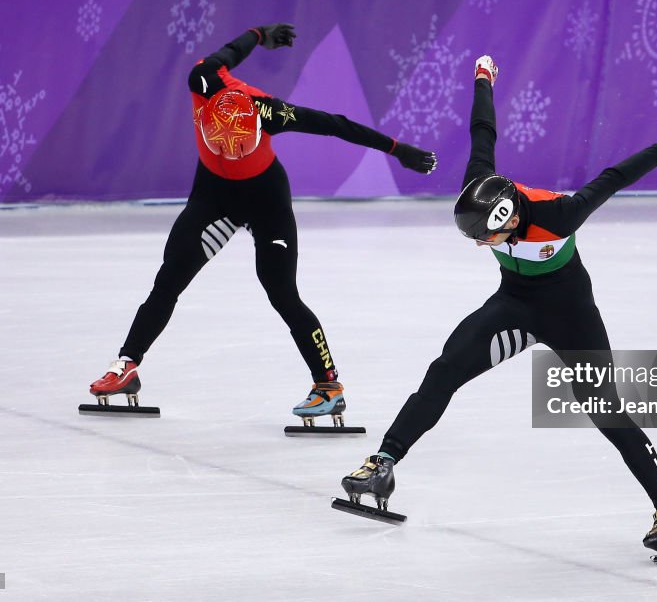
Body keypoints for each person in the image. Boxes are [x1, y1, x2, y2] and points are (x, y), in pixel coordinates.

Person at [340, 55, 657, 556]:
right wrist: (484, 78)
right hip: (515, 305)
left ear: (510, 221)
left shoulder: (561, 214)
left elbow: (616, 176)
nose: (479, 244)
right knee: (446, 368)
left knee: (605, 409)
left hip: (571, 316)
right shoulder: (482, 186)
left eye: (484, 236)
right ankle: (382, 463)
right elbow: (483, 132)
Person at [87, 24, 437, 425]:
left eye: (239, 147)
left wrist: (397, 150)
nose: (231, 152)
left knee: (282, 293)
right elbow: (232, 50)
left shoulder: (269, 112)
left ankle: (329, 386)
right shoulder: (203, 79)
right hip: (213, 197)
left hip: (265, 198)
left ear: (256, 129)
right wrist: (259, 33)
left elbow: (335, 124)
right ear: (204, 119)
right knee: (169, 280)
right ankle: (126, 365)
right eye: (223, 146)